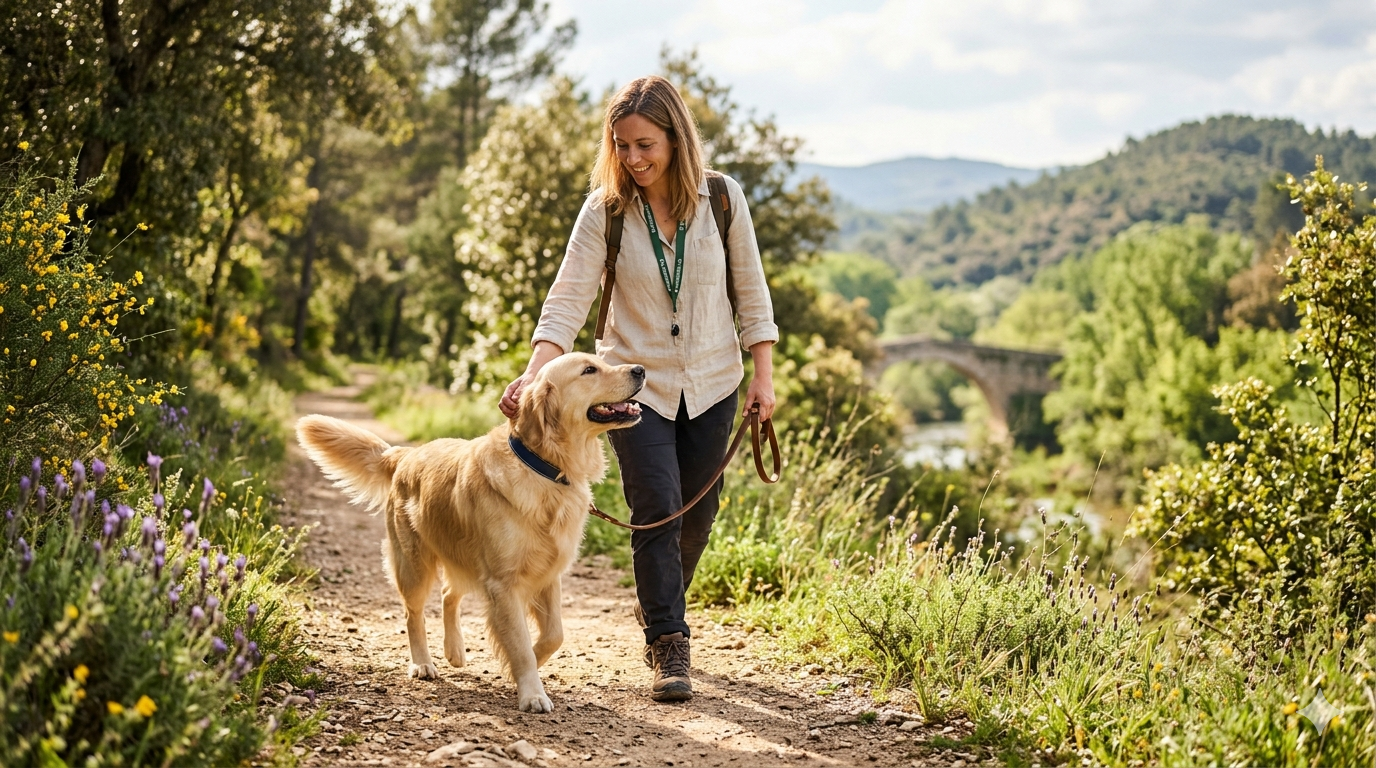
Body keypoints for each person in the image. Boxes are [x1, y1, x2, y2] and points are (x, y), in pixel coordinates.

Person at [499, 75, 777, 702]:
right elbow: (567, 299)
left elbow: (751, 293)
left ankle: (658, 601)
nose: (633, 159)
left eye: (645, 144)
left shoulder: (724, 201)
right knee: (656, 503)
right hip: (630, 385)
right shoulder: (606, 211)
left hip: (714, 379)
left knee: (695, 515)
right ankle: (669, 642)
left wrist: (763, 376)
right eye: (621, 146)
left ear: (677, 139)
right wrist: (535, 371)